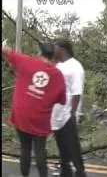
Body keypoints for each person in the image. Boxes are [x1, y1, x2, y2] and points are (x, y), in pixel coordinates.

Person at [2, 42, 66, 177]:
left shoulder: (26, 61)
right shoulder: (57, 74)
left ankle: (24, 175)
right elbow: (62, 100)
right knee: (40, 150)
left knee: (25, 148)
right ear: (53, 56)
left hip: (22, 115)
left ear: (39, 52)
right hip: (40, 118)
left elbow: (7, 51)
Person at [51, 39, 87, 177]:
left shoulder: (75, 67)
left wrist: (72, 114)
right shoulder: (59, 65)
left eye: (55, 47)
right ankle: (65, 173)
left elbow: (76, 93)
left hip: (67, 115)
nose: (53, 49)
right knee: (63, 150)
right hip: (57, 115)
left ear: (62, 49)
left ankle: (80, 173)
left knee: (73, 149)